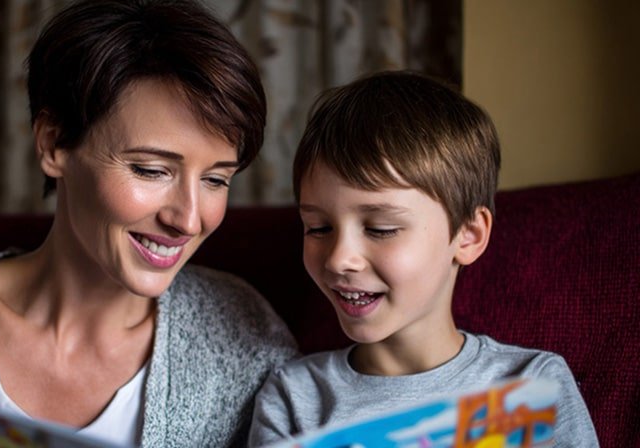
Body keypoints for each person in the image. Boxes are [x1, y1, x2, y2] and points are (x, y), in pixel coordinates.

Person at [0, 1, 298, 446]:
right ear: (55, 144)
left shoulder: (245, 336)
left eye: (216, 179)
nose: (189, 219)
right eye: (152, 170)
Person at [247, 71, 599, 447]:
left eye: (381, 228)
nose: (339, 259)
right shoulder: (295, 396)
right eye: (318, 228)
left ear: (469, 235)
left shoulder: (533, 385)